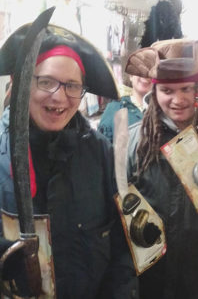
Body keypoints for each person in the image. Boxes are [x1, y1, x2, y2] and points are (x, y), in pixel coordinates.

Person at [0, 23, 138, 299]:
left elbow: (127, 245)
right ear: (21, 83)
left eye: (72, 86)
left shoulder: (102, 154)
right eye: (46, 82)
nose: (59, 97)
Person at [125, 38, 198, 299]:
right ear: (154, 93)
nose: (178, 99)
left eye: (186, 88)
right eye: (167, 91)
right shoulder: (133, 142)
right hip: (152, 285)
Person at [98, 75, 153, 143]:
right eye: (140, 69)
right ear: (131, 76)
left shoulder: (163, 109)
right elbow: (103, 148)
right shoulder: (114, 109)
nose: (145, 75)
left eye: (150, 69)